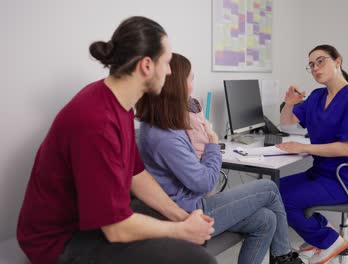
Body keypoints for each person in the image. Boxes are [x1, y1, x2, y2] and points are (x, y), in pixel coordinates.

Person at [16, 17, 217, 264]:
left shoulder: (119, 105)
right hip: (60, 242)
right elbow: (116, 229)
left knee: (184, 231)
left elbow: (137, 175)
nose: (168, 71)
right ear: (146, 65)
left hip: (93, 222)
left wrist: (180, 216)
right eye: (166, 62)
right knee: (198, 259)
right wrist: (181, 231)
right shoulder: (95, 120)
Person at [135, 53, 304, 264]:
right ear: (176, 84)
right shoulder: (162, 135)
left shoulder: (167, 125)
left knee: (266, 219)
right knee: (269, 188)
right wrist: (213, 143)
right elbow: (205, 183)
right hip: (188, 212)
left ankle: (282, 256)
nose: (192, 85)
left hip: (191, 202)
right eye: (191, 79)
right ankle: (283, 257)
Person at [278, 44, 348, 264]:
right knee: (272, 190)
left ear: (338, 61)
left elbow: (345, 148)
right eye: (311, 64)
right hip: (318, 173)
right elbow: (286, 123)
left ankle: (329, 240)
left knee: (283, 199)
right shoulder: (318, 96)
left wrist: (303, 148)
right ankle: (321, 233)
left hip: (342, 179)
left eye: (321, 61)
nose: (316, 68)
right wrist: (289, 104)